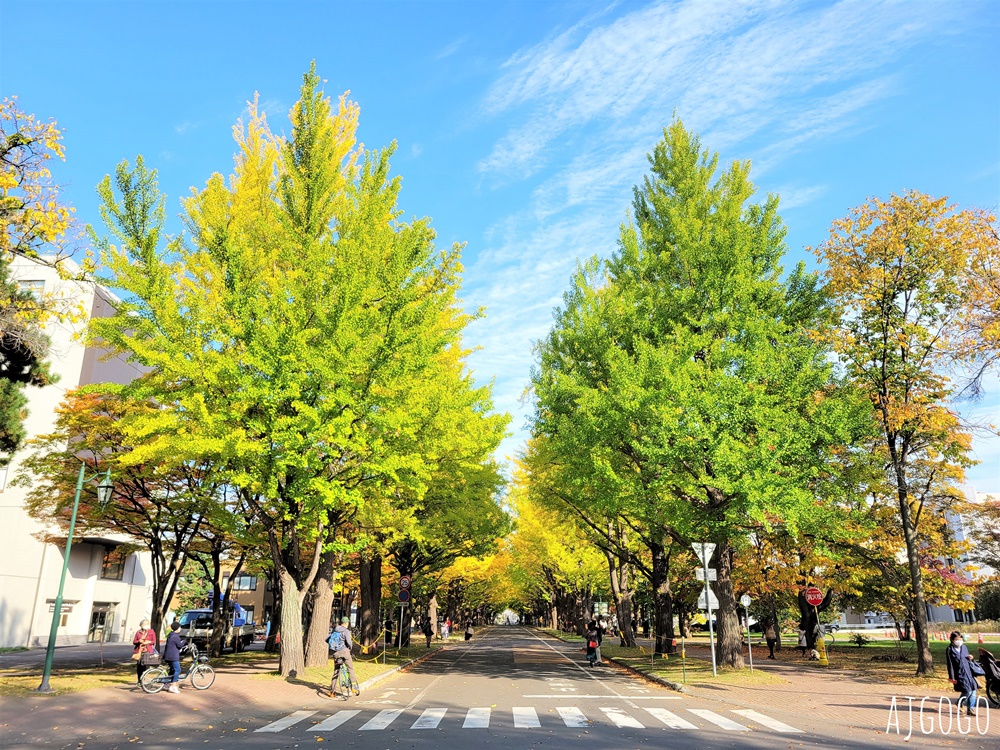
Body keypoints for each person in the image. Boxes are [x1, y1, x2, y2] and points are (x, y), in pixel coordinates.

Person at [946, 631, 979, 716]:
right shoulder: (950, 650)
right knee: (967, 691)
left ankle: (970, 709)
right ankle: (960, 702)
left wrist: (971, 658)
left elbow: (968, 658)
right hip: (960, 674)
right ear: (952, 640)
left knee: (973, 691)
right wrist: (952, 677)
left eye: (960, 639)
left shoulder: (964, 647)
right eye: (957, 639)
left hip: (968, 672)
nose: (959, 641)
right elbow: (950, 664)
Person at [328, 616, 359, 697]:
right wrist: (350, 648)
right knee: (350, 668)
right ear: (347, 623)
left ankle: (332, 691)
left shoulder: (334, 629)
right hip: (344, 652)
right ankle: (354, 687)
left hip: (335, 653)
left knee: (336, 671)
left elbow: (327, 639)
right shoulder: (346, 631)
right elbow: (349, 642)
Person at [162, 621, 186, 694]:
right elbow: (180, 645)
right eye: (180, 627)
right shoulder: (175, 636)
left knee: (172, 671)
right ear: (177, 628)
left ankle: (167, 684)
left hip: (168, 656)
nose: (180, 628)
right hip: (173, 656)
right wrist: (185, 640)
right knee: (178, 670)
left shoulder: (170, 635)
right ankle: (173, 686)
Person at [132, 619, 156, 684]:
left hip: (147, 650)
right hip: (139, 651)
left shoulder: (151, 631)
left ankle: (143, 679)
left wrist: (148, 642)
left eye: (147, 624)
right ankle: (139, 680)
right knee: (139, 666)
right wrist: (139, 641)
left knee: (144, 666)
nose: (146, 626)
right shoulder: (138, 632)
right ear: (141, 625)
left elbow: (153, 641)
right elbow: (134, 641)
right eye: (144, 624)